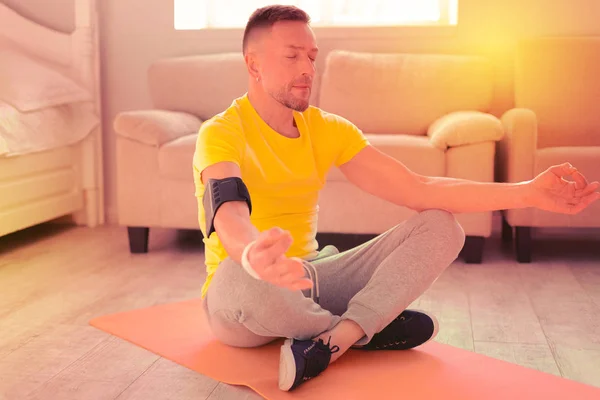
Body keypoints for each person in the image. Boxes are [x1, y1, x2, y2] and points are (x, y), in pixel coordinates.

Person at [193, 5, 600, 392]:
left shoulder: (328, 129)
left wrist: (527, 191)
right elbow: (228, 209)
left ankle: (336, 339)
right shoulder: (222, 131)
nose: (307, 69)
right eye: (292, 56)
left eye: (312, 57)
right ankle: (364, 327)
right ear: (253, 64)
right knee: (237, 275)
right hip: (241, 300)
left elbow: (419, 188)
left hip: (314, 277)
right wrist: (252, 255)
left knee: (441, 224)